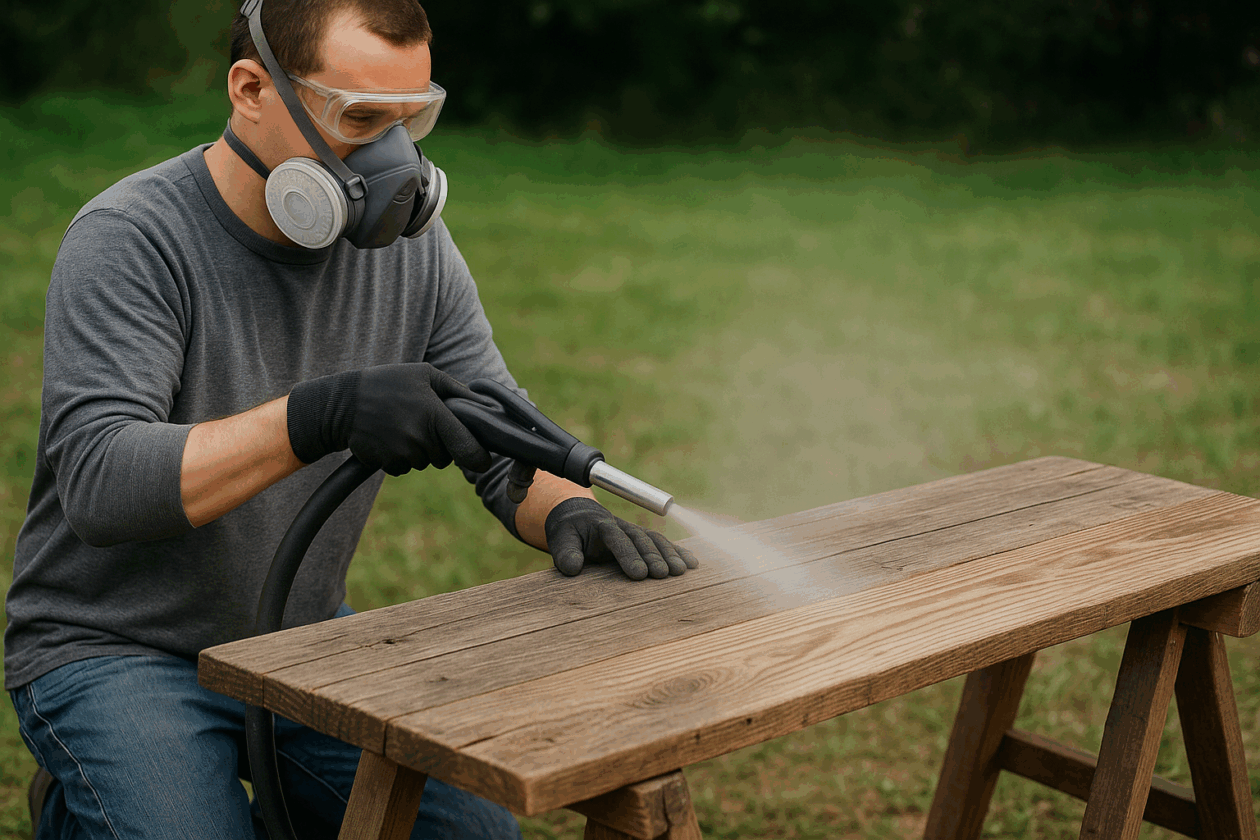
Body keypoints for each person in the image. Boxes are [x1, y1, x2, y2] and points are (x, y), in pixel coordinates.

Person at [4, 0, 697, 837]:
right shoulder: (131, 238)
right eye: (361, 119)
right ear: (252, 89)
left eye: (410, 121)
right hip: (114, 649)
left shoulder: (413, 247)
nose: (393, 159)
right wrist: (319, 415)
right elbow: (102, 485)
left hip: (298, 636)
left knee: (474, 833)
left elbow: (496, 429)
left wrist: (572, 510)